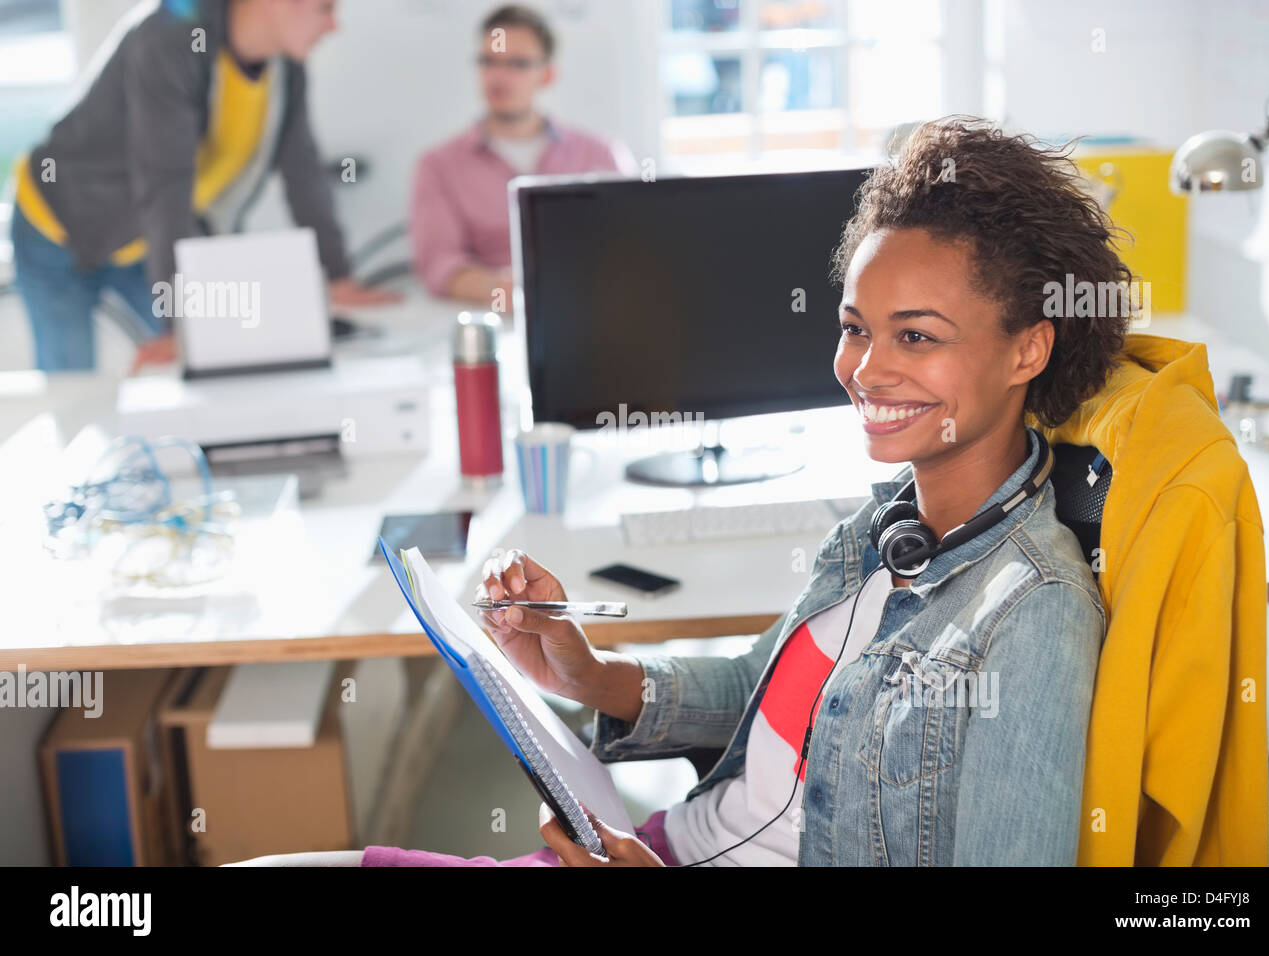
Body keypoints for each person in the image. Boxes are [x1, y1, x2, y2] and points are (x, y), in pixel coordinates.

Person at [238, 117, 1122, 867]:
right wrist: (589, 673)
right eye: (856, 328)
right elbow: (758, 689)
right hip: (659, 842)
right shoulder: (887, 524)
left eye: (917, 337)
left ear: (1027, 350)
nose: (866, 368)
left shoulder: (1032, 614)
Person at [9, 0, 397, 373]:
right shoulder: (173, 35)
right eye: (325, 8)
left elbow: (303, 170)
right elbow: (165, 183)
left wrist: (336, 275)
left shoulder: (284, 69)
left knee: (214, 350)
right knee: (71, 380)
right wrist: (179, 325)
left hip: (145, 239)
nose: (335, 25)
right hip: (56, 227)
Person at [409, 4, 635, 310]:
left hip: (593, 310)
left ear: (547, 74)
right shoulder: (438, 166)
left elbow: (633, 245)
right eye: (489, 62)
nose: (498, 77)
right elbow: (439, 265)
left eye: (517, 64)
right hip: (496, 317)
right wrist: (506, 290)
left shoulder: (600, 155)